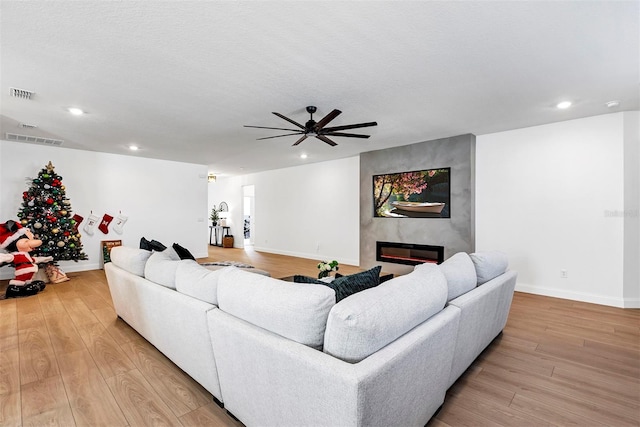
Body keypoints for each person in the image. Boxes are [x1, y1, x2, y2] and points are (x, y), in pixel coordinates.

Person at [0, 220, 53, 298]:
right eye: (27, 240)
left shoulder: (26, 254)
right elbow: (7, 258)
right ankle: (15, 288)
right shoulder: (15, 255)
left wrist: (45, 259)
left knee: (31, 282)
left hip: (29, 276)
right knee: (22, 281)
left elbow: (34, 260)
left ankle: (28, 285)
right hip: (21, 275)